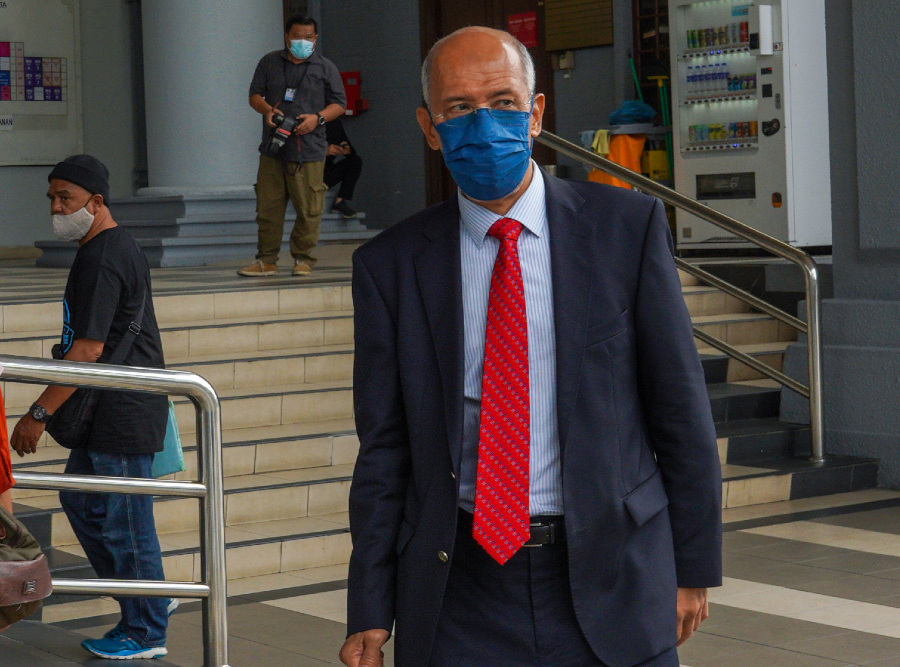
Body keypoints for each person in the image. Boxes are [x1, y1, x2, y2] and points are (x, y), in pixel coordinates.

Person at [342, 26, 722, 667]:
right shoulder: (391, 266)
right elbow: (384, 451)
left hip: (613, 574)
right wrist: (371, 608)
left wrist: (693, 564)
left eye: (502, 101)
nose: (483, 123)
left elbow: (681, 412)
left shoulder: (625, 231)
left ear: (537, 113)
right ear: (430, 128)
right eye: (459, 109)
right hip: (461, 593)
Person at [9, 155, 175, 661]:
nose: (58, 208)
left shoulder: (105, 255)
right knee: (83, 503)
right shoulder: (108, 247)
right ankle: (143, 603)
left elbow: (88, 350)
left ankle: (147, 629)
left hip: (121, 413)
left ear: (97, 202)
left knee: (126, 524)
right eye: (53, 198)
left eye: (68, 199)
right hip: (110, 409)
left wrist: (38, 414)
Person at [239, 14, 347, 278]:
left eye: (308, 37)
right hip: (273, 147)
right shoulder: (269, 62)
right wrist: (266, 110)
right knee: (267, 208)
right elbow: (254, 94)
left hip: (308, 148)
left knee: (309, 209)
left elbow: (339, 104)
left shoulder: (325, 67)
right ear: (287, 36)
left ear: (316, 38)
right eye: (297, 36)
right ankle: (267, 260)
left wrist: (317, 118)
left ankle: (303, 259)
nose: (302, 41)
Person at [324, 118, 362, 218]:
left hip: (325, 173)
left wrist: (347, 149)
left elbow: (347, 146)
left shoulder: (333, 122)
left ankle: (340, 201)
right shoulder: (307, 120)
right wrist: (324, 151)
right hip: (307, 171)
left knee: (355, 161)